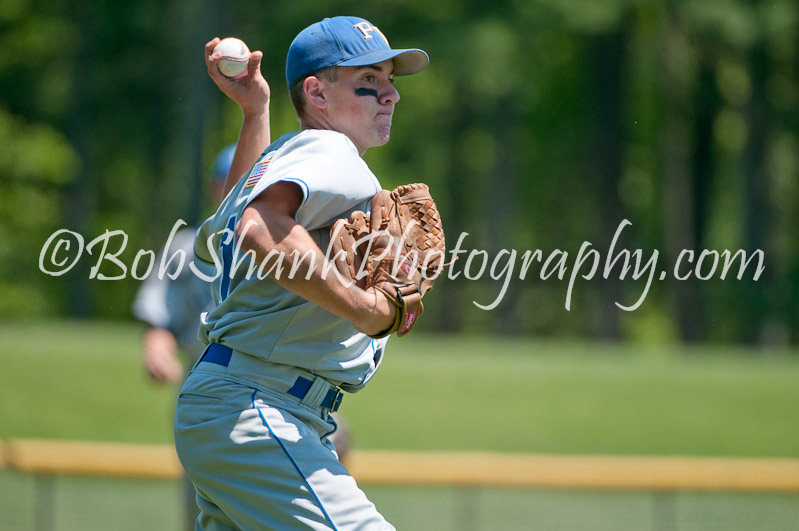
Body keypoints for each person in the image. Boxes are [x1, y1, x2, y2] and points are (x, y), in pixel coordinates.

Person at [174, 16, 428, 530]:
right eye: (369, 82)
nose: (390, 97)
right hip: (258, 407)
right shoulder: (333, 153)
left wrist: (254, 112)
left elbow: (231, 230)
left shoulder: (278, 160)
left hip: (233, 406)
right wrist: (364, 309)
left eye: (391, 83)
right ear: (317, 93)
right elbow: (260, 229)